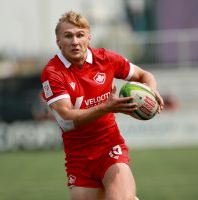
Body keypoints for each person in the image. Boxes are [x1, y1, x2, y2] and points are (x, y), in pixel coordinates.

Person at [41, 11, 164, 200]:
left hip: (110, 148)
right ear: (58, 40)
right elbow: (66, 118)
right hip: (79, 158)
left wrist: (152, 90)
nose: (75, 41)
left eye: (80, 35)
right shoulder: (53, 72)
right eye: (68, 36)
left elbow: (145, 76)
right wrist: (106, 107)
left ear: (88, 38)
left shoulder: (106, 59)